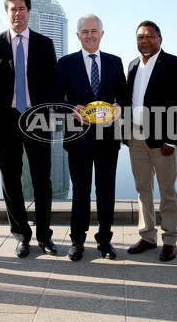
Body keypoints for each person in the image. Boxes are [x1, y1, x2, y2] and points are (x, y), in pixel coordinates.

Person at [0, 0, 58, 258]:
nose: (17, 13)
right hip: (6, 121)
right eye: (12, 9)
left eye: (22, 8)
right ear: (7, 13)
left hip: (37, 119)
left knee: (42, 180)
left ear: (29, 12)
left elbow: (53, 83)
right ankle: (20, 235)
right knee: (11, 180)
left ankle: (45, 236)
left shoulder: (44, 43)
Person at [53, 14, 126, 261]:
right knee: (80, 192)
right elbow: (55, 100)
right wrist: (71, 108)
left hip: (108, 139)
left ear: (102, 34)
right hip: (78, 139)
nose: (90, 35)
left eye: (94, 30)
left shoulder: (115, 63)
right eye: (84, 31)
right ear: (77, 36)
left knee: (106, 192)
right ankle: (77, 241)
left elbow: (124, 97)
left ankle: (105, 240)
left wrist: (119, 108)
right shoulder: (65, 63)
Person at [125, 20, 177, 262]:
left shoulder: (173, 64)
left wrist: (171, 139)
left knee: (167, 190)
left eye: (150, 36)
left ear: (160, 39)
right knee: (143, 189)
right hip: (135, 137)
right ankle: (147, 236)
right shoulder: (131, 65)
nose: (145, 41)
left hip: (162, 140)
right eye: (140, 37)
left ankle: (169, 239)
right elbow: (127, 101)